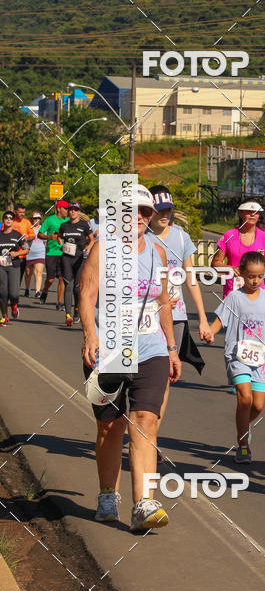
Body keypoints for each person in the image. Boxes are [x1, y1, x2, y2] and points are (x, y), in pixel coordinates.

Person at [79, 183, 182, 532]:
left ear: (150, 217)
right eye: (131, 211)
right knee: (111, 427)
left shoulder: (158, 251)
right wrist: (90, 334)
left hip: (151, 347)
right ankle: (108, 494)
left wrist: (171, 347)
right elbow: (87, 294)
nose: (138, 217)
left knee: (144, 420)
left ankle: (143, 504)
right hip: (110, 348)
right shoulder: (103, 249)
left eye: (144, 212)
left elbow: (163, 301)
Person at [205, 251, 265, 462]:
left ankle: (244, 425)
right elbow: (220, 319)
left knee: (257, 405)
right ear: (240, 273)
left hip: (259, 360)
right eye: (250, 276)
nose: (255, 281)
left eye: (259, 276)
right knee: (245, 398)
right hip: (237, 356)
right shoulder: (234, 297)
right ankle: (243, 444)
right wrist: (211, 330)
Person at [147, 185, 211, 431]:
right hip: (148, 315)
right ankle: (141, 427)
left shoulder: (181, 236)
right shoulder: (141, 236)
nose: (165, 214)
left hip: (177, 316)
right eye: (159, 210)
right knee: (148, 376)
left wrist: (203, 318)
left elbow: (191, 277)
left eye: (168, 210)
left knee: (163, 378)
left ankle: (151, 437)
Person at [211, 200, 265, 297]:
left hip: (257, 293)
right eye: (248, 212)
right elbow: (215, 263)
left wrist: (258, 262)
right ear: (240, 213)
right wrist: (230, 268)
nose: (252, 215)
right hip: (233, 291)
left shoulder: (264, 237)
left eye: (256, 212)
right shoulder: (229, 235)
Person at [58, 202, 94, 327]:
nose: (73, 212)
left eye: (75, 210)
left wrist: (88, 248)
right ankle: (68, 315)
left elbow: (92, 239)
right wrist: (60, 243)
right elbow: (60, 236)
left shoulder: (84, 225)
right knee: (68, 285)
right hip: (66, 258)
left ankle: (77, 310)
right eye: (71, 210)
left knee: (77, 288)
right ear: (68, 211)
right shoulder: (64, 225)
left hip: (79, 258)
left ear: (79, 212)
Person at [0, 211, 29, 324]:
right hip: (1, 267)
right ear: (3, 220)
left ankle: (14, 304)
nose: (8, 219)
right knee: (2, 293)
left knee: (14, 294)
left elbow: (26, 249)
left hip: (14, 266)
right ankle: (4, 316)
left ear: (13, 221)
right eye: (6, 217)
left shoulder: (18, 235)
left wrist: (16, 254)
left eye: (10, 218)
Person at [39, 200, 69, 308]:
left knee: (61, 278)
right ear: (59, 209)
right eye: (65, 208)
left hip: (64, 253)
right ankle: (45, 290)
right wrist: (49, 237)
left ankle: (59, 302)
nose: (67, 210)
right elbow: (40, 234)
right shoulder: (50, 220)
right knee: (50, 279)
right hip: (51, 252)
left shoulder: (68, 220)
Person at [11, 203, 35, 287]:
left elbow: (32, 235)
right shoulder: (10, 221)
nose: (22, 214)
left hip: (22, 256)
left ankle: (14, 297)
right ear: (15, 212)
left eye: (24, 212)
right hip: (9, 255)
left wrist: (25, 239)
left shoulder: (27, 222)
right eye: (20, 212)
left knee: (18, 280)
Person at [24, 211, 46, 298]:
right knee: (28, 273)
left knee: (39, 272)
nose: (37, 220)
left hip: (40, 253)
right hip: (29, 253)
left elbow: (45, 242)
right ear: (32, 219)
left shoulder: (43, 228)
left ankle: (37, 291)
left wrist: (44, 252)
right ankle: (27, 288)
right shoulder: (28, 228)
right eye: (35, 218)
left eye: (38, 218)